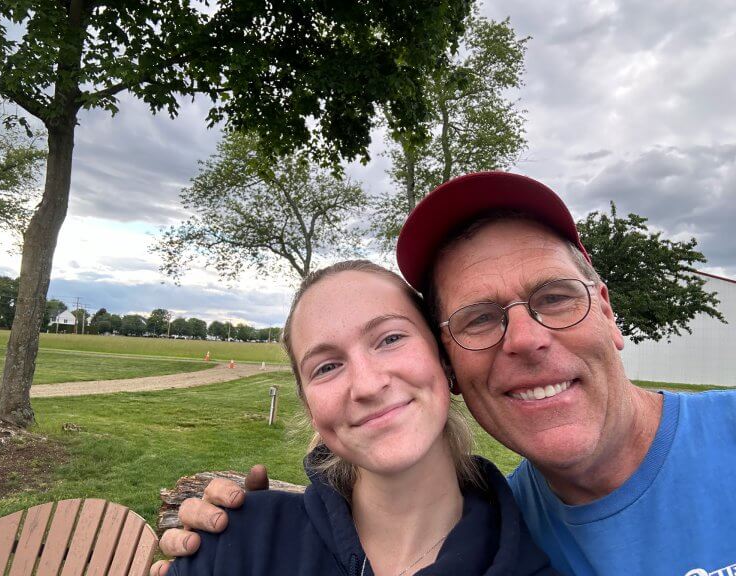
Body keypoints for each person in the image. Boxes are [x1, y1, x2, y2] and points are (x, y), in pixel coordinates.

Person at [154, 172, 736, 576]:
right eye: (479, 319)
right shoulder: (519, 524)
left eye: (556, 298)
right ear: (451, 365)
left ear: (609, 312)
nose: (527, 339)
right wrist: (243, 536)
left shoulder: (511, 553)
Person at [166, 260, 555, 576]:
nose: (367, 385)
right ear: (311, 409)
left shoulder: (530, 563)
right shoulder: (234, 545)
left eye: (390, 339)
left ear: (444, 361)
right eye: (327, 366)